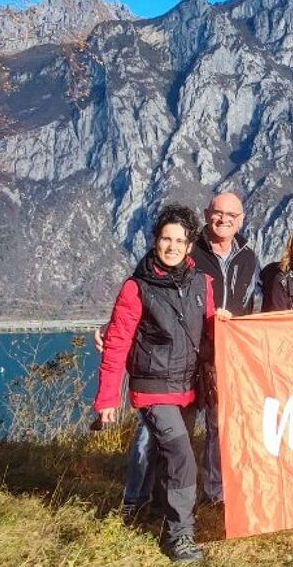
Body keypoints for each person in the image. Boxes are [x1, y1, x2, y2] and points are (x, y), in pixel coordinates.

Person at [92, 204, 232, 563]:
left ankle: (155, 506)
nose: (171, 246)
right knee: (183, 455)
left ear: (189, 246)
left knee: (169, 454)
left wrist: (225, 323)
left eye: (179, 240)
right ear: (155, 241)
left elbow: (210, 331)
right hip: (153, 387)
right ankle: (180, 535)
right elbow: (117, 343)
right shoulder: (136, 288)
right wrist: (108, 399)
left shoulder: (202, 283)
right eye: (165, 239)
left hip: (189, 386)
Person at [189, 191, 260, 507]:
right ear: (207, 214)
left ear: (241, 220)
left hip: (230, 356)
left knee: (220, 423)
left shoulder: (248, 256)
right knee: (178, 424)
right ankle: (155, 492)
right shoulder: (188, 250)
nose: (224, 220)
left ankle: (214, 493)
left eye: (232, 216)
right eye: (218, 213)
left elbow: (252, 306)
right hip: (190, 349)